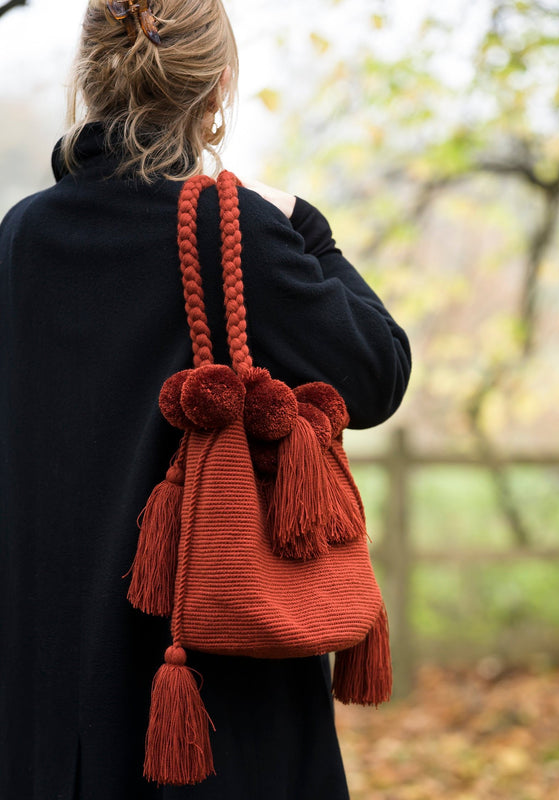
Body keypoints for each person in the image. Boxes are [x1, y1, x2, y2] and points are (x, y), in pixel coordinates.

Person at [0, 0, 411, 797]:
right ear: (218, 89)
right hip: (215, 710)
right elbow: (378, 372)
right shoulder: (238, 231)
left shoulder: (20, 240)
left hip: (45, 706)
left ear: (88, 78)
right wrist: (308, 229)